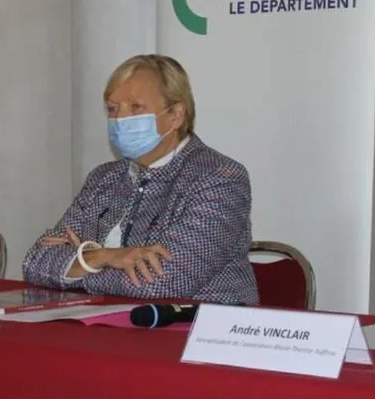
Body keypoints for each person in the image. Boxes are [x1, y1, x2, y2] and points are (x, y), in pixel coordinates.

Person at [23, 54, 258, 305]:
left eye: (136, 107)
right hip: (105, 321)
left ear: (176, 115)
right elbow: (35, 263)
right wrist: (105, 257)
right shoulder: (104, 178)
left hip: (193, 323)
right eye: (112, 109)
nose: (120, 119)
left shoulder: (220, 178)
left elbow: (163, 282)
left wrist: (79, 264)